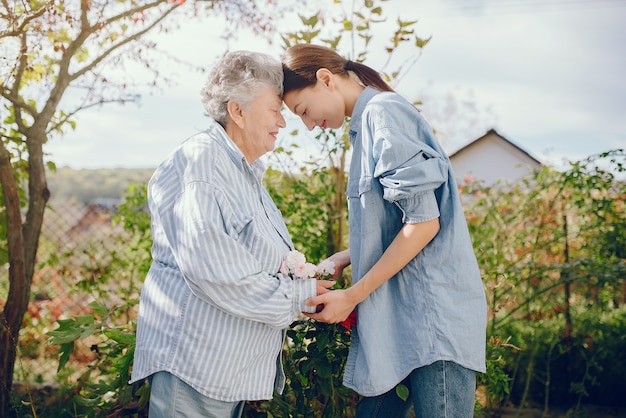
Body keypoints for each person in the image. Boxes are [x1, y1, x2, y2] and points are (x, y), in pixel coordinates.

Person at [281, 43, 487, 418]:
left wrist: (353, 295)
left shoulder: (384, 114)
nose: (309, 124)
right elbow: (397, 222)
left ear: (325, 80)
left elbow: (424, 224)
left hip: (431, 322)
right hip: (397, 320)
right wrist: (345, 257)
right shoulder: (363, 127)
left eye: (304, 111)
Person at [130, 50, 334, 418]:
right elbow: (215, 270)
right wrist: (299, 296)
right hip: (197, 368)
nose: (282, 123)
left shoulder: (242, 171)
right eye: (274, 110)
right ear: (237, 111)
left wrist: (313, 276)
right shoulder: (204, 163)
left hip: (222, 370)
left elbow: (250, 258)